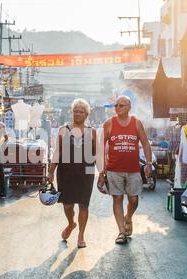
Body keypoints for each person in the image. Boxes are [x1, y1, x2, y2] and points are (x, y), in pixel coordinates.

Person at [98, 95, 152, 244]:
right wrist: (101, 172)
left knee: (133, 200)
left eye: (121, 105)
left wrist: (148, 163)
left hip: (133, 170)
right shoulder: (109, 124)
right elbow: (100, 148)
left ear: (129, 107)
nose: (117, 108)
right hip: (114, 169)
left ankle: (128, 217)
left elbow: (146, 144)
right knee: (117, 198)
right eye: (116, 105)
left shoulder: (136, 123)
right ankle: (121, 232)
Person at [47, 99, 97, 248]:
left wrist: (102, 173)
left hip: (86, 173)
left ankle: (81, 236)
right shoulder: (63, 130)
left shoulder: (92, 132)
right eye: (75, 111)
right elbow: (57, 152)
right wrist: (50, 172)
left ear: (87, 114)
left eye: (81, 111)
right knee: (68, 204)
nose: (78, 114)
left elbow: (96, 153)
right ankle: (71, 223)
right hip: (65, 172)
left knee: (83, 205)